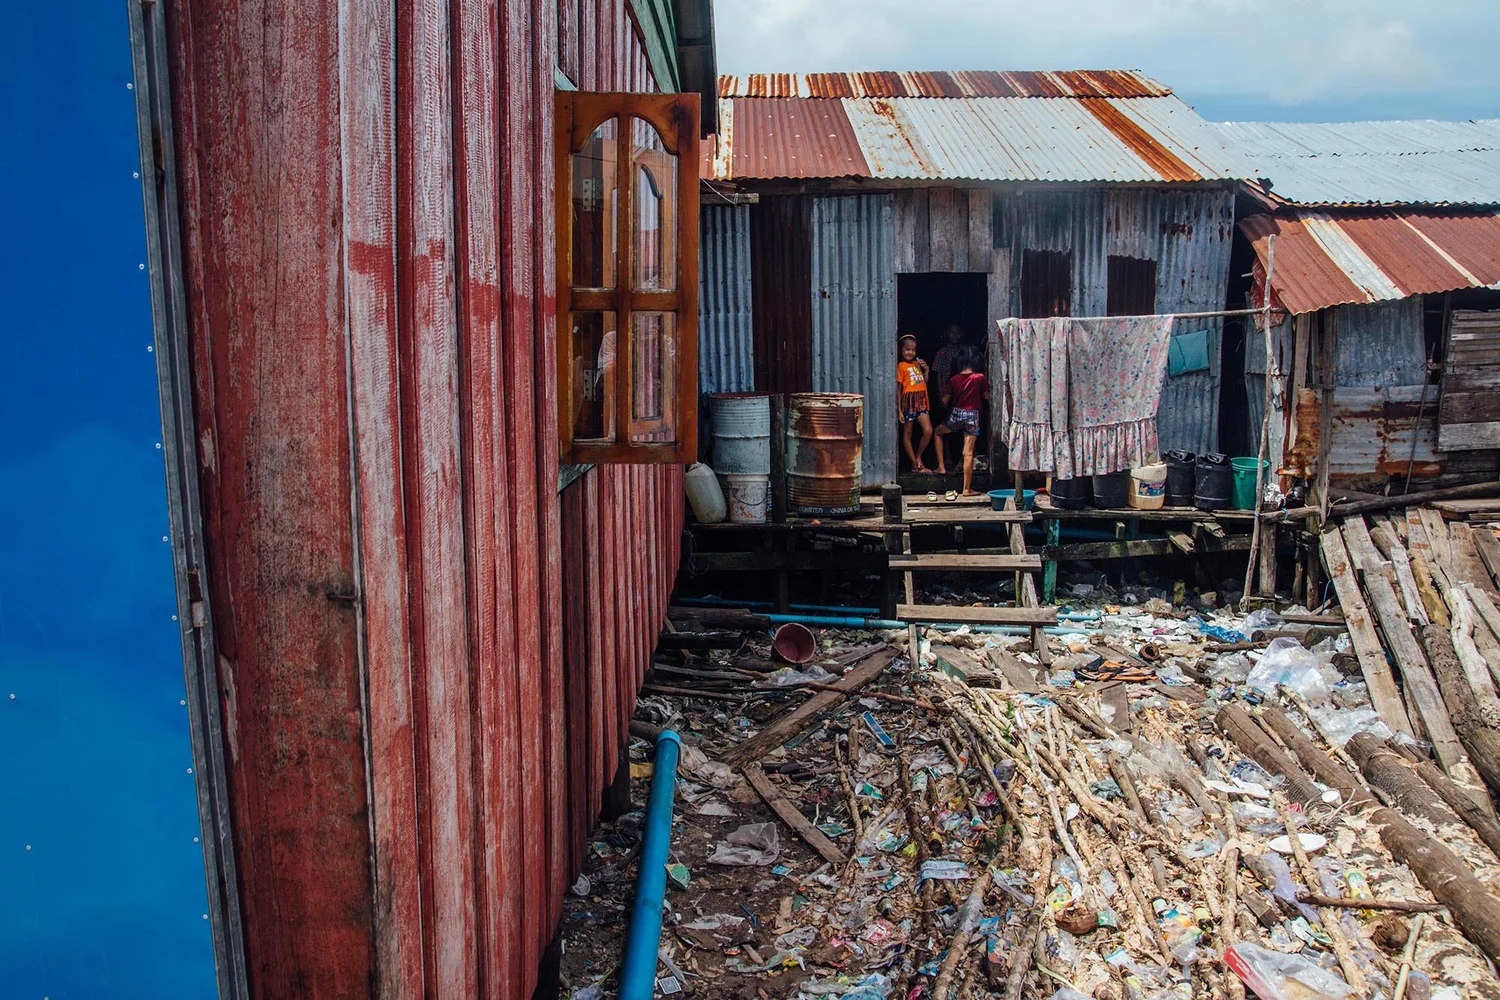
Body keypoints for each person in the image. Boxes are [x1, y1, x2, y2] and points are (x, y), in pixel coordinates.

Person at [935, 346, 990, 496]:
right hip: (973, 416)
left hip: (956, 414)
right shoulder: (980, 378)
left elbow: (945, 401)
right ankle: (966, 489)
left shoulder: (954, 379)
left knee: (937, 433)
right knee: (968, 453)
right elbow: (986, 396)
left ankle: (941, 467)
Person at [897, 334, 943, 474]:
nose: (910, 352)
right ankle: (915, 465)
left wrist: (926, 370)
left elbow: (923, 383)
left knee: (928, 431)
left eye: (913, 350)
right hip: (908, 403)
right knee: (908, 433)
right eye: (907, 349)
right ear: (901, 350)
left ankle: (918, 457)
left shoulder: (917, 364)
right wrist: (899, 410)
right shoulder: (900, 366)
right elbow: (898, 389)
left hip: (921, 401)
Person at [929, 324, 966, 469]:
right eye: (952, 332)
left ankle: (962, 458)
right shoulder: (942, 353)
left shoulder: (963, 352)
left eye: (957, 333)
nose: (954, 335)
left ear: (961, 334)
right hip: (946, 393)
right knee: (945, 423)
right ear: (946, 334)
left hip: (961, 394)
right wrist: (940, 393)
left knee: (963, 426)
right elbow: (938, 375)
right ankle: (947, 457)